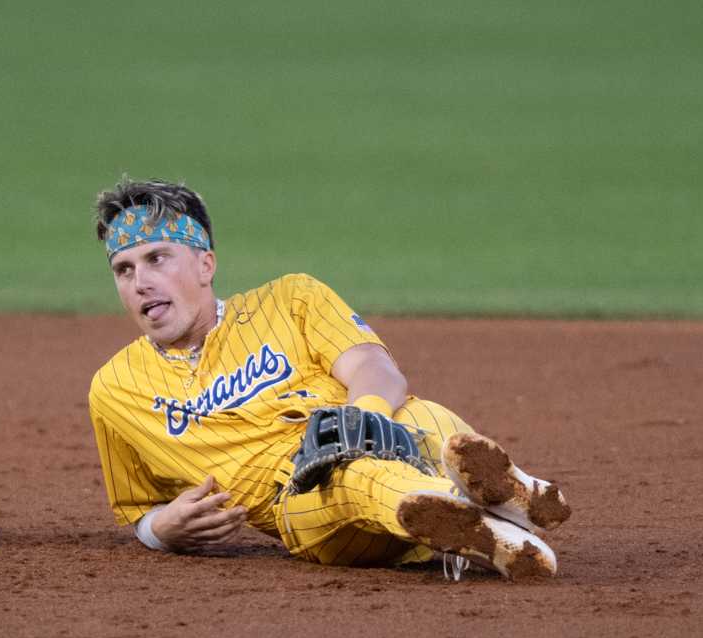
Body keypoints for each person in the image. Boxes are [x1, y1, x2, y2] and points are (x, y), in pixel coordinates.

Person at [86, 179, 569, 581]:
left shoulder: (291, 298)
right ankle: (481, 517)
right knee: (350, 479)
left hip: (379, 432)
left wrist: (364, 420)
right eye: (123, 270)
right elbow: (138, 508)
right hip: (301, 505)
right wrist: (158, 531)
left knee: (421, 415)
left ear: (206, 263)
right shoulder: (116, 389)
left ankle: (494, 511)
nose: (140, 282)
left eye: (157, 258)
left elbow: (373, 369)